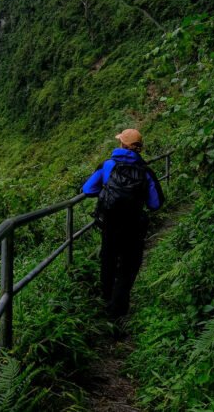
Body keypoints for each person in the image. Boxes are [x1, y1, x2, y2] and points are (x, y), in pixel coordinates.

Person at [81, 128, 163, 319]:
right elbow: (155, 203)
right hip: (134, 227)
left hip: (110, 224)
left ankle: (105, 301)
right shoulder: (145, 171)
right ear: (139, 148)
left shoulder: (108, 165)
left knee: (108, 262)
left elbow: (87, 189)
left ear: (122, 144)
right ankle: (118, 311)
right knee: (128, 267)